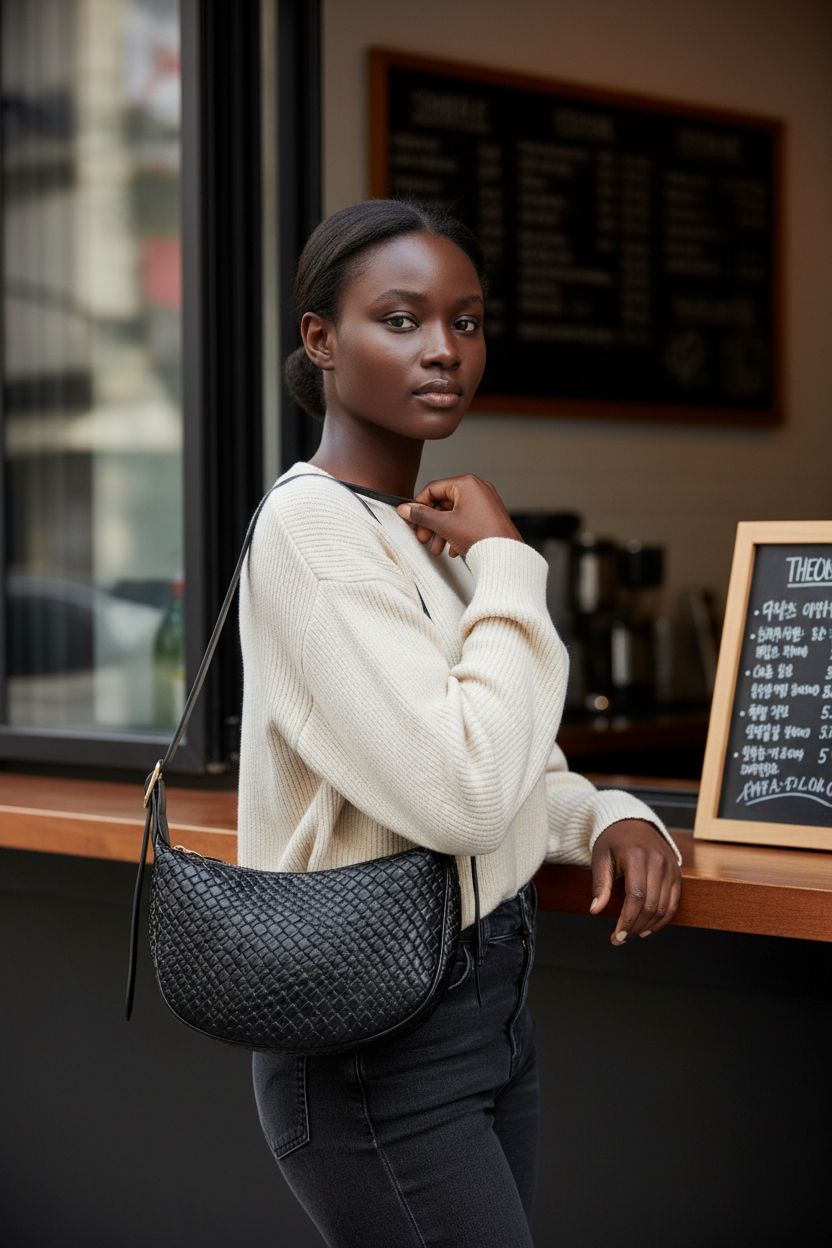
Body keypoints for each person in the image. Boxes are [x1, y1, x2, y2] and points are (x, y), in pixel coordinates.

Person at [238, 199, 682, 1248]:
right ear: (320, 342)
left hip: (481, 1009)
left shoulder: (403, 537)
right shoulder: (310, 529)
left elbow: (510, 754)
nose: (443, 349)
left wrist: (610, 810)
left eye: (467, 321)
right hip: (374, 1045)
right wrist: (510, 561)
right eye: (400, 320)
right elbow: (466, 795)